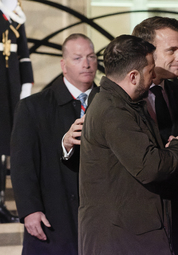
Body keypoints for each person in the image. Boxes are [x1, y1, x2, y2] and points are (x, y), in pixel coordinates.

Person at [78, 34, 178, 255]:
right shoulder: (114, 111)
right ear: (133, 76)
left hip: (128, 236)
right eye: (150, 71)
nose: (153, 77)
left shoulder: (120, 104)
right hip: (122, 241)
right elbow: (150, 167)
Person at [10, 33, 99, 255]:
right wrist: (30, 210)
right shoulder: (34, 107)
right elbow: (22, 165)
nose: (86, 64)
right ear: (64, 64)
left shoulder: (111, 103)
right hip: (54, 215)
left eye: (91, 56)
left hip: (100, 217)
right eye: (78, 58)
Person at [132, 17, 178, 255]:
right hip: (135, 228)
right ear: (147, 53)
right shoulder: (120, 101)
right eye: (172, 50)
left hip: (174, 223)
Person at [0, 0, 33, 223]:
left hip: (10, 90)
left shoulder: (16, 18)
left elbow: (24, 56)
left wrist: (26, 86)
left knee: (4, 148)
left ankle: (0, 202)